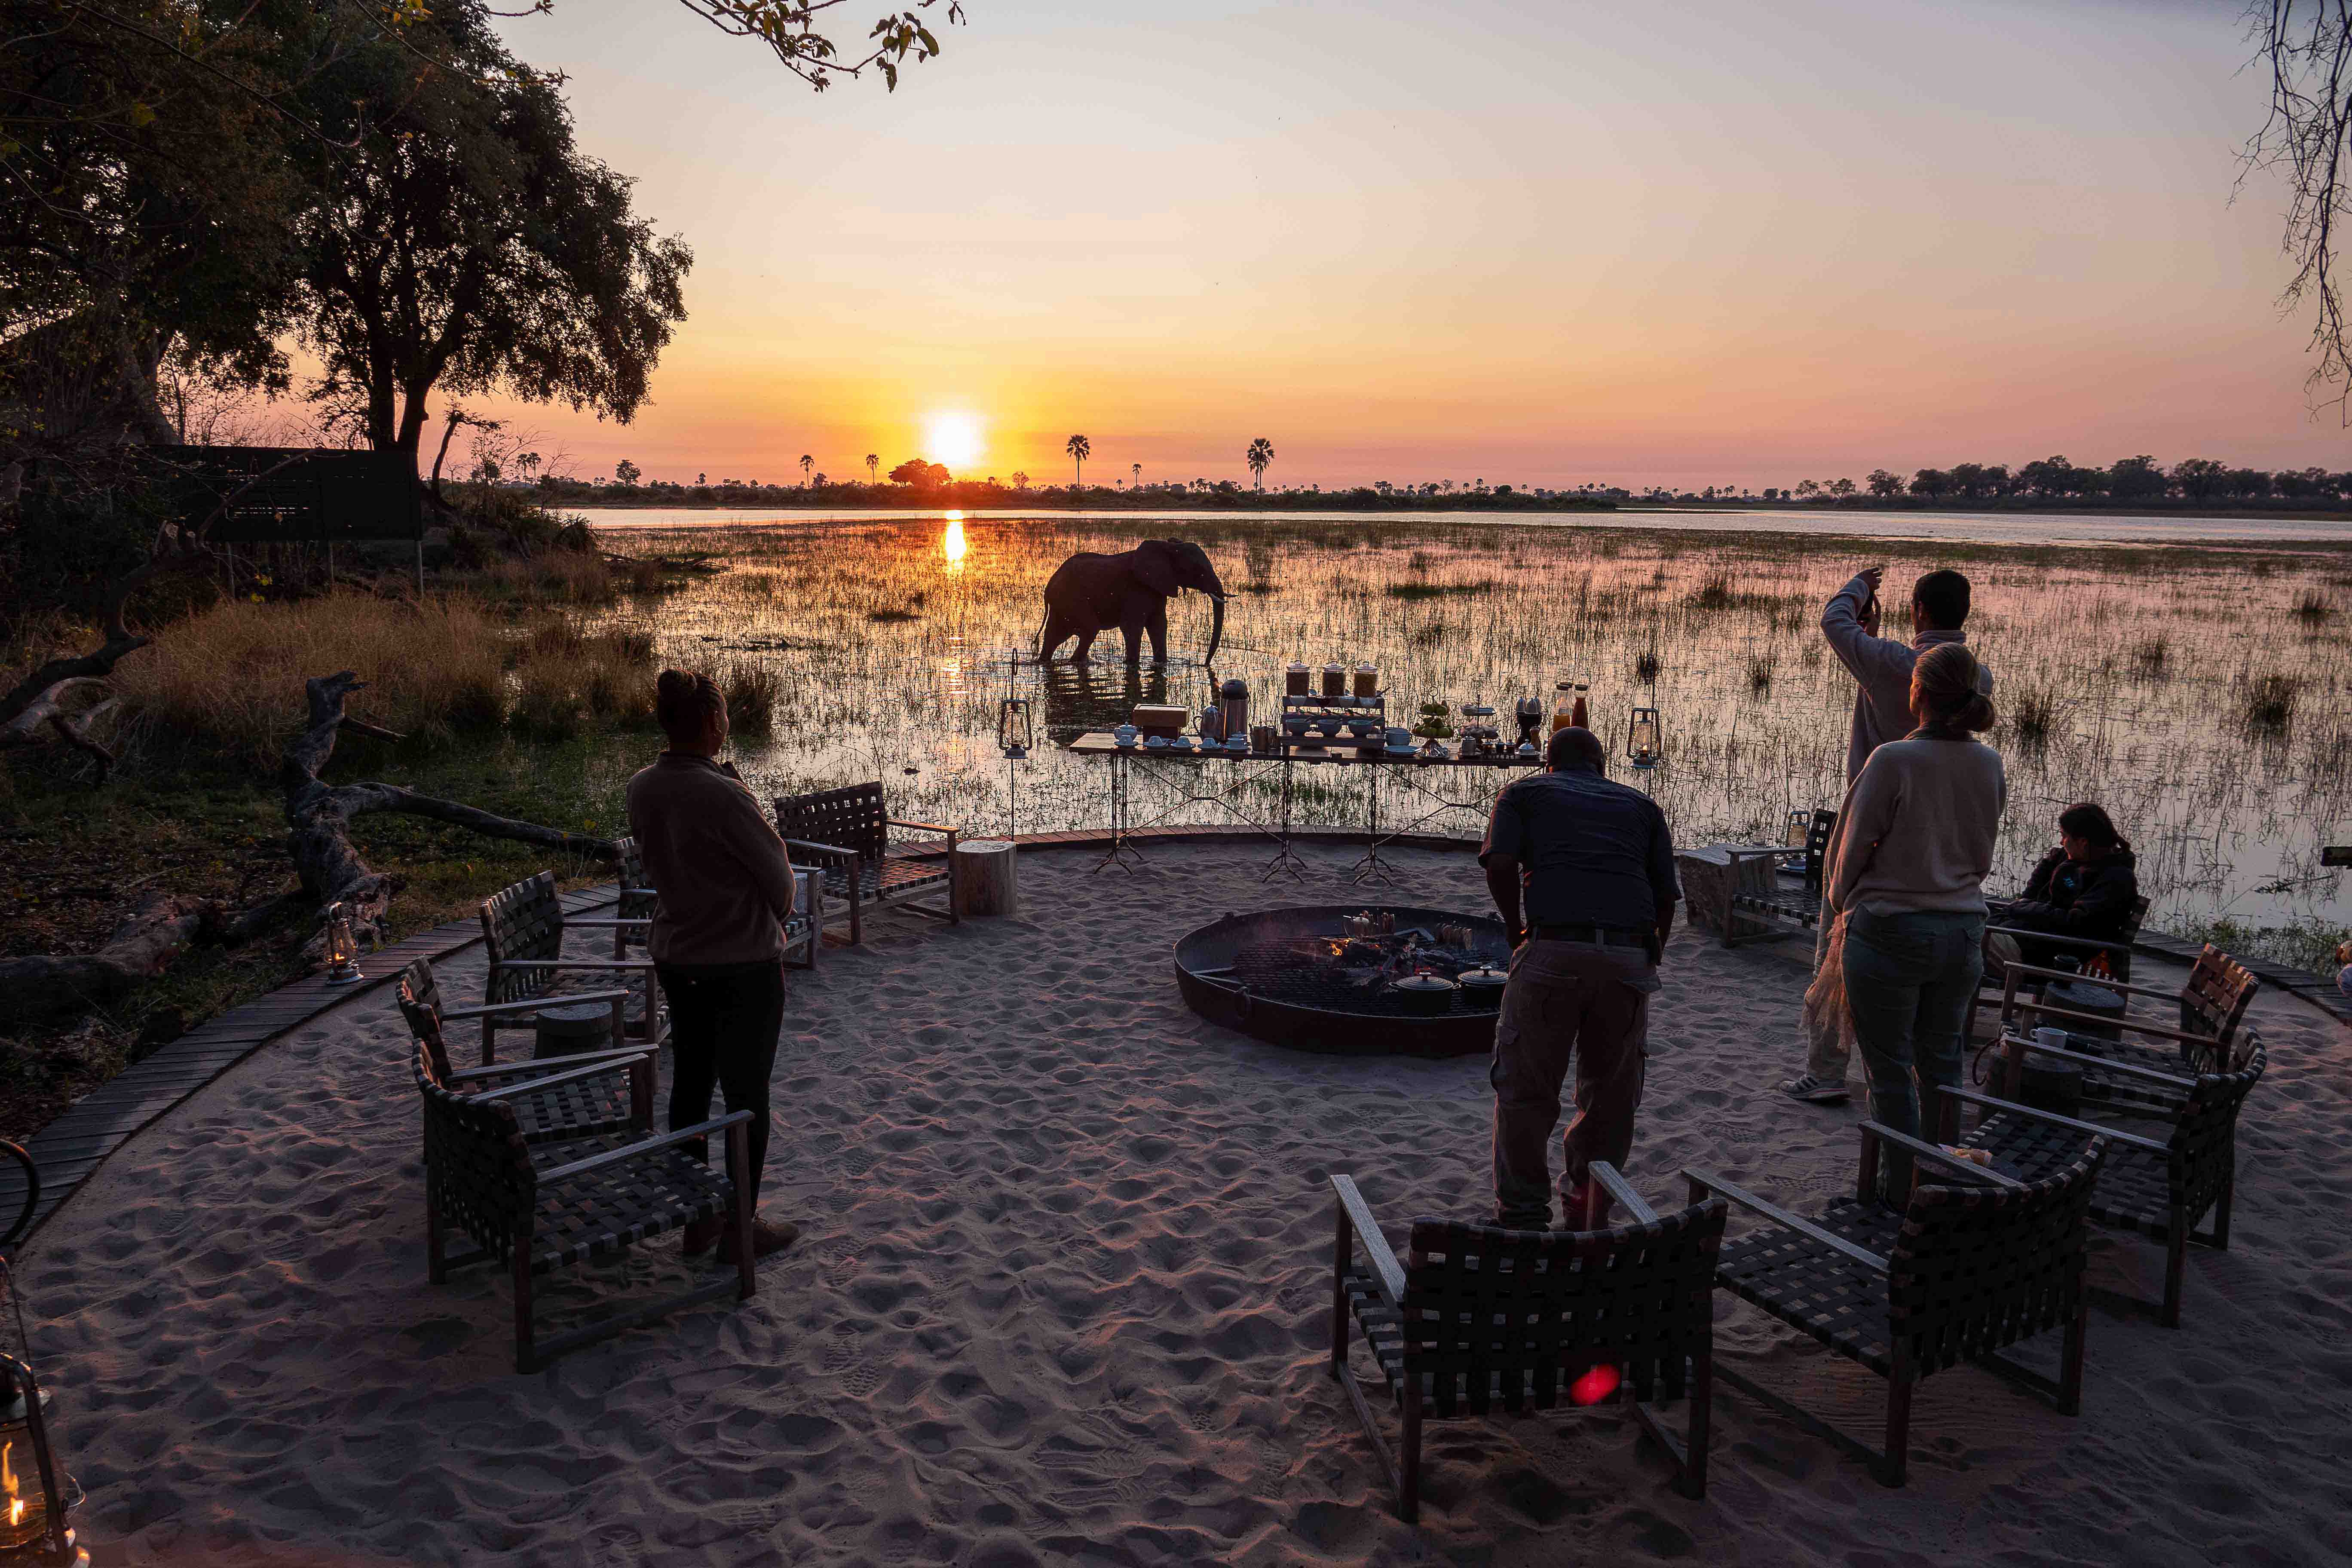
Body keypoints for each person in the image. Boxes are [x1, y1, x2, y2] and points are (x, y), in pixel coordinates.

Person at [1783, 564, 1985, 1106]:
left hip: (1878, 834)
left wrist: (1859, 585)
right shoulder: (1974, 678)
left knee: (1835, 952)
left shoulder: (1895, 668)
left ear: (1918, 610)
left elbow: (1832, 620)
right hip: (1949, 852)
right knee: (1936, 1046)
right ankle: (1933, 1129)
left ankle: (1827, 1072)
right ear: (1964, 613)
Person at [625, 669, 802, 1263]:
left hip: (679, 957)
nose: (728, 724)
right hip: (742, 963)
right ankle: (740, 1229)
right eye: (724, 716)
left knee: (692, 1088)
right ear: (708, 724)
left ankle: (696, 1220)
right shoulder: (723, 795)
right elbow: (779, 877)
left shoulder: (641, 788)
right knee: (747, 1095)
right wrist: (774, 917)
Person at [1822, 643, 2003, 1201]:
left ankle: (1899, 1189)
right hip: (1963, 932)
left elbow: (1848, 854)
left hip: (1891, 932)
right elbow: (1982, 854)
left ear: (1917, 693)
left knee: (1892, 1073)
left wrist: (1839, 903)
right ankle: (1937, 1184)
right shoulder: (1988, 762)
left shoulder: (1894, 760)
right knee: (1943, 1066)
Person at [1479, 726, 1678, 1231]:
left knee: (1525, 1090)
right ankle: (1588, 1211)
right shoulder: (1642, 806)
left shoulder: (1524, 792)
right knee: (1610, 1098)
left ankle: (1523, 1215)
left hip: (1553, 950)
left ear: (1549, 762)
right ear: (1602, 766)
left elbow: (1500, 862)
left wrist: (1512, 926)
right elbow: (1665, 897)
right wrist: (1654, 950)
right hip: (1629, 958)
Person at [1985, 804, 2139, 974]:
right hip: (2015, 936)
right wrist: (2053, 866)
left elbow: (2075, 923)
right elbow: (2028, 897)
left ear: (2083, 843)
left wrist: (2026, 908)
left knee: (1959, 941)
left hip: (2039, 958)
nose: (2061, 842)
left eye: (2064, 836)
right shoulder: (2066, 862)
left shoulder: (2117, 880)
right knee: (1958, 926)